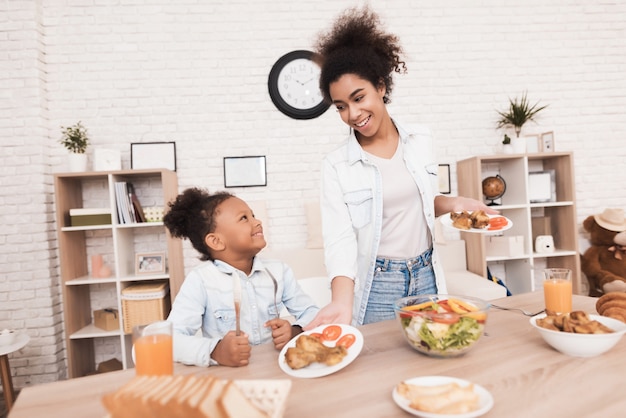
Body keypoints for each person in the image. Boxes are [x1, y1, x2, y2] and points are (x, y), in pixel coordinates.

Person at [305, 6, 496, 329]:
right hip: (380, 283)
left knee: (435, 356)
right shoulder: (337, 166)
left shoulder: (421, 139)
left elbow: (421, 201)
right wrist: (341, 299)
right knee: (381, 371)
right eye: (341, 107)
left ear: (380, 86)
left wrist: (454, 204)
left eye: (358, 97)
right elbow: (339, 240)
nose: (353, 113)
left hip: (427, 274)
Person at [163, 188, 319, 367]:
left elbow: (312, 313)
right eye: (244, 218)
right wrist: (216, 350)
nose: (257, 221)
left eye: (252, 215)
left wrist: (295, 331)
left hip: (276, 370)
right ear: (216, 241)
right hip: (229, 379)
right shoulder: (201, 281)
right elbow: (170, 340)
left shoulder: (279, 271)